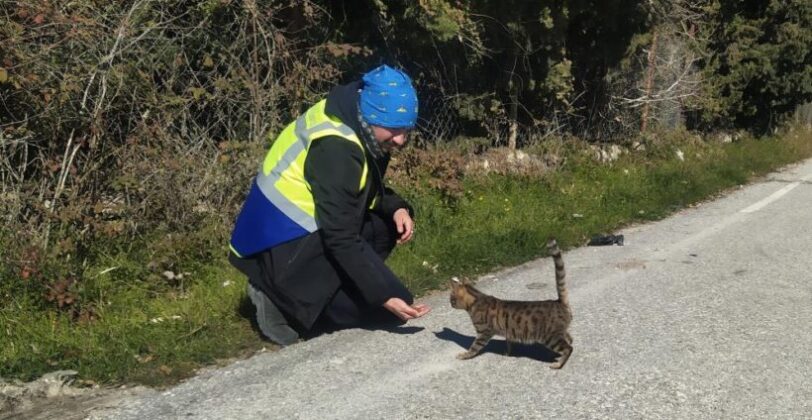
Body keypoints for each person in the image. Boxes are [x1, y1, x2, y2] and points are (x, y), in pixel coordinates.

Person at [228, 64, 431, 345]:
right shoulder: (337, 147)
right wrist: (381, 295)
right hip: (280, 240)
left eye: (406, 130)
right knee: (384, 312)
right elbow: (340, 235)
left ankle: (323, 295)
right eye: (394, 130)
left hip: (313, 228)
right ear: (372, 115)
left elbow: (362, 191)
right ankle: (273, 295)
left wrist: (397, 207)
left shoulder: (360, 125)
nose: (400, 140)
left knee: (386, 231)